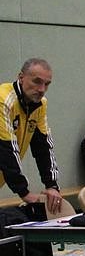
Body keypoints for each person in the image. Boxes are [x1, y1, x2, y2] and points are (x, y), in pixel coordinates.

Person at [0, 59, 63, 212]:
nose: (42, 89)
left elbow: (44, 146)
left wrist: (52, 185)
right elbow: (6, 149)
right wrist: (24, 193)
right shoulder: (3, 99)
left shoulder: (41, 105)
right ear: (21, 77)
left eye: (47, 84)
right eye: (37, 81)